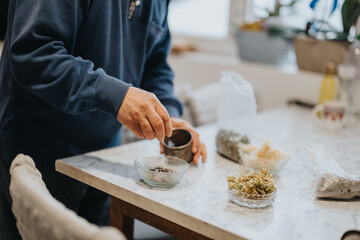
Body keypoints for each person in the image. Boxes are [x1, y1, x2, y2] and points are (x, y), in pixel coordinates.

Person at [0, 1, 207, 239]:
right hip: (38, 153)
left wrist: (168, 114)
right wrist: (118, 96)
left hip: (104, 159)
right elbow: (33, 53)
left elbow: (155, 64)